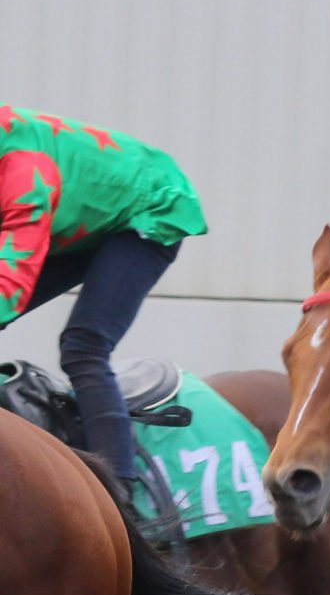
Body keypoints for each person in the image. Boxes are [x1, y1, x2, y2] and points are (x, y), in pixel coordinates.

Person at [0, 106, 207, 496]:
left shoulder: (23, 169)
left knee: (83, 345)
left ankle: (120, 492)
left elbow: (12, 277)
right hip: (75, 217)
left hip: (147, 212)